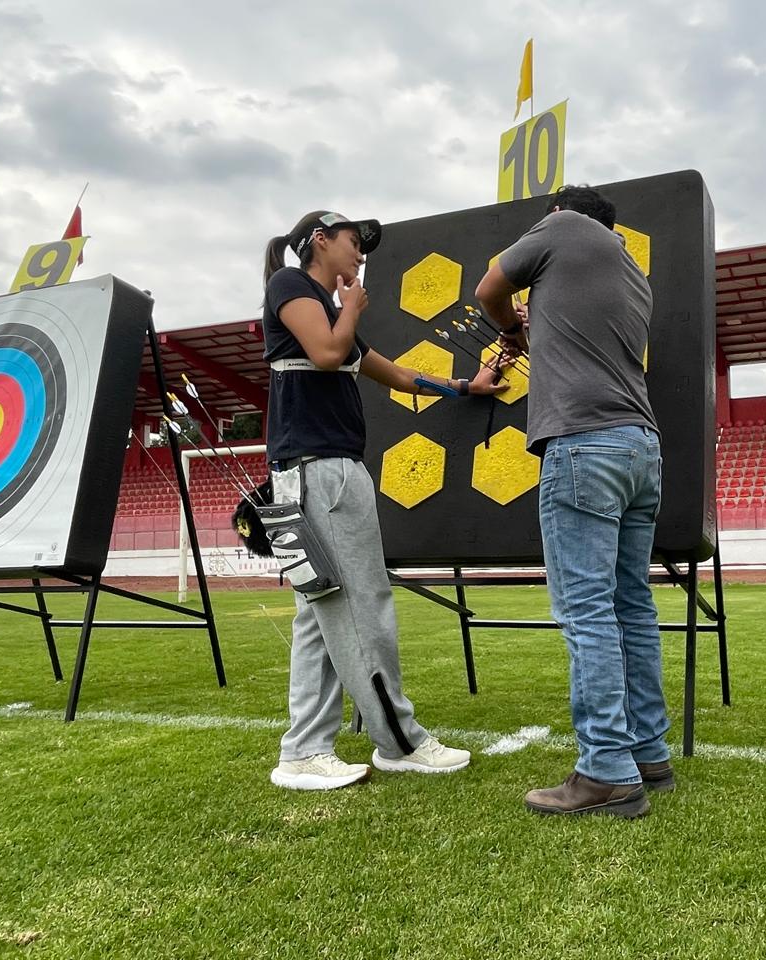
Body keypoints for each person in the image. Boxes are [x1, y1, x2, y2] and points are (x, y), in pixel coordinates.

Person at [262, 209, 506, 790]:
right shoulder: (292, 285)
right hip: (320, 473)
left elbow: (393, 375)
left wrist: (465, 386)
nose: (361, 254)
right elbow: (326, 353)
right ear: (318, 240)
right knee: (362, 605)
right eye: (354, 242)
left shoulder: (328, 310)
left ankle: (303, 751)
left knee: (319, 615)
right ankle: (398, 743)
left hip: (316, 473)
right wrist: (351, 306)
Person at [475, 185, 671, 818]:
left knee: (586, 610)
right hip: (640, 447)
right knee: (631, 606)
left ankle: (605, 771)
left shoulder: (563, 230)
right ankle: (648, 754)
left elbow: (487, 289)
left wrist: (512, 326)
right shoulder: (631, 271)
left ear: (560, 214)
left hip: (583, 445)